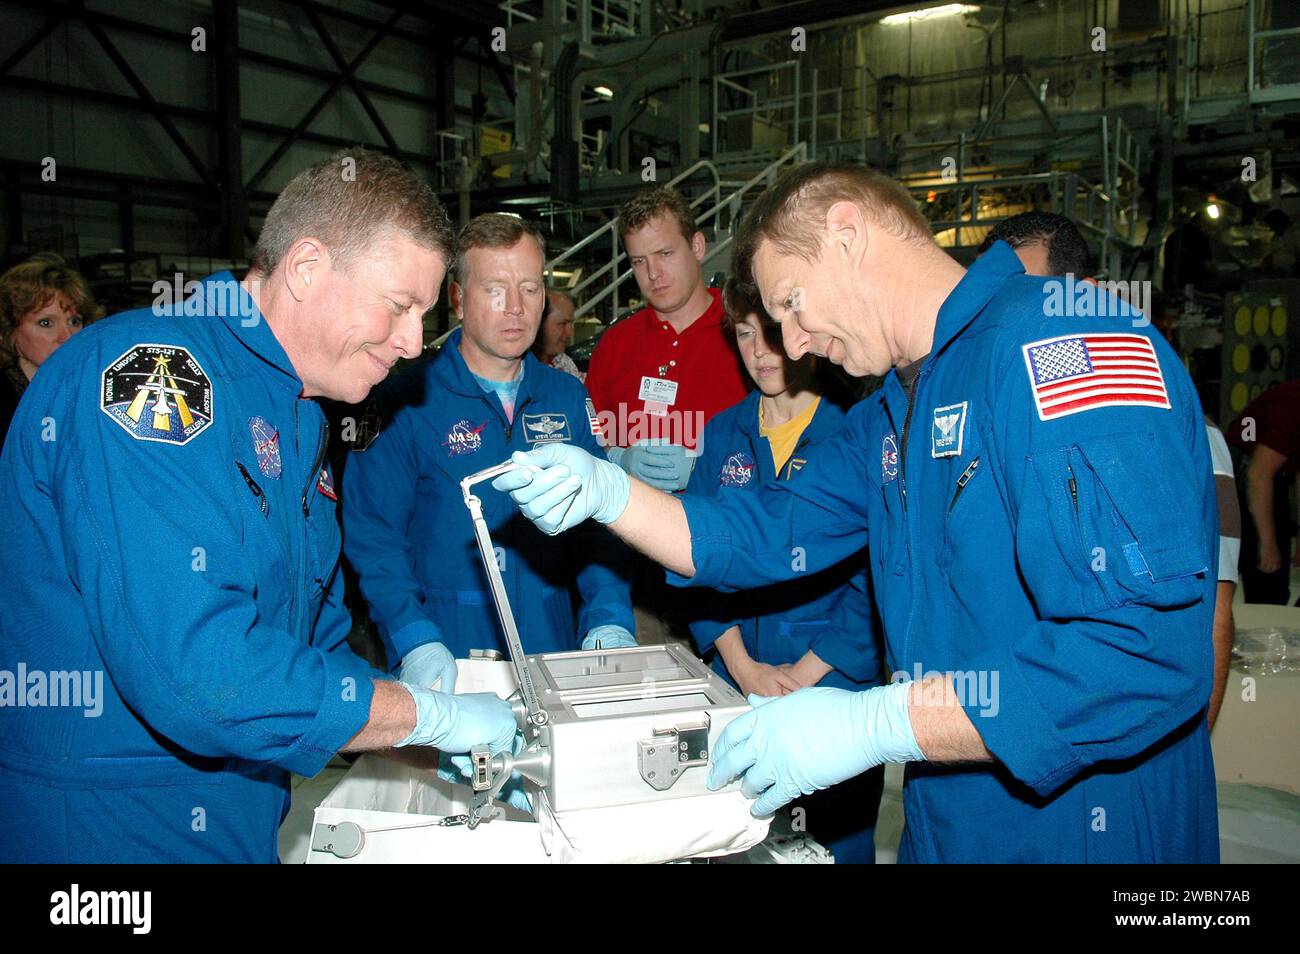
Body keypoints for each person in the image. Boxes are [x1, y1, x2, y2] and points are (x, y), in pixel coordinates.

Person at [494, 162, 1220, 863]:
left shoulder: (1064, 345)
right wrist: (610, 494)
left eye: (791, 305)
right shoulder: (889, 413)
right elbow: (762, 529)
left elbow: (1145, 652)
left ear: (846, 233)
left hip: (1089, 829)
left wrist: (880, 723)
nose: (795, 343)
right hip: (950, 818)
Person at [0, 150, 519, 863]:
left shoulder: (299, 414)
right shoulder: (155, 377)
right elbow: (201, 671)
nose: (411, 343)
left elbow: (313, 643)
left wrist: (419, 731)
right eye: (401, 307)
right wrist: (422, 716)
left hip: (235, 813)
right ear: (306, 268)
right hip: (113, 830)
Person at [343, 213, 635, 674]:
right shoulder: (404, 401)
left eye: (531, 288)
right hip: (450, 650)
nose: (516, 307)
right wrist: (412, 637)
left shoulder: (566, 396)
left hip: (552, 642)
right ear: (458, 298)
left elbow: (599, 525)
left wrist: (609, 616)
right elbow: (375, 537)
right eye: (495, 289)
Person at [979, 211, 1240, 728]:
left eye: (1035, 296)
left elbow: (1213, 610)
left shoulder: (1181, 433)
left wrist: (1192, 748)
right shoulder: (995, 424)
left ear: (1087, 296)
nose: (1016, 321)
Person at [683, 276, 883, 862]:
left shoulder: (853, 430)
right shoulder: (723, 434)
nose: (760, 353)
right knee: (740, 839)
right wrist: (742, 665)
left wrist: (802, 678)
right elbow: (697, 562)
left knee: (836, 843)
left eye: (771, 334)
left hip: (831, 685)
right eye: (745, 336)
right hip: (736, 676)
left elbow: (874, 579)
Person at [584, 185, 748, 492]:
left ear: (697, 246)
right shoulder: (615, 345)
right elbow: (591, 436)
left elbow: (782, 442)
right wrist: (617, 457)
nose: (653, 273)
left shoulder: (746, 336)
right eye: (639, 261)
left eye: (665, 253)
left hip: (721, 522)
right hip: (628, 527)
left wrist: (710, 467)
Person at [0, 252, 101, 448]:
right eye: (46, 323)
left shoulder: (91, 391)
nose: (68, 337)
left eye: (74, 321)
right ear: (9, 331)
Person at [1227, 380, 1300, 606]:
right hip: (1244, 479)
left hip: (1269, 476)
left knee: (1273, 586)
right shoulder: (1293, 403)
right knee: (1267, 579)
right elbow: (1257, 475)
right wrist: (1267, 543)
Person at [533, 288, 584, 380]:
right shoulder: (513, 370)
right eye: (563, 324)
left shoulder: (564, 362)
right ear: (538, 323)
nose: (570, 333)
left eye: (571, 324)